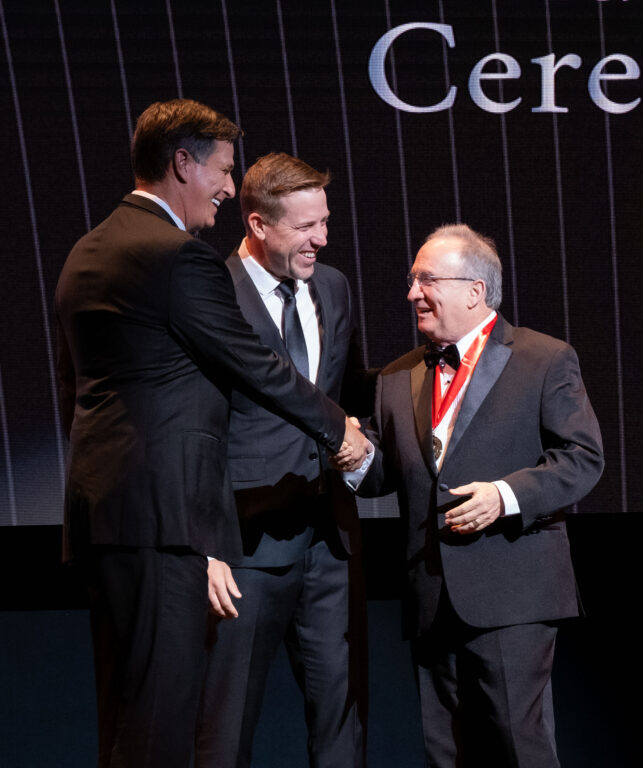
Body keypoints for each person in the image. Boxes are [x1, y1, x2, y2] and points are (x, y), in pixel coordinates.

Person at [55, 100, 365, 768]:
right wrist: (340, 426)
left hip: (109, 516)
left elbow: (76, 391)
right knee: (163, 729)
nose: (228, 186)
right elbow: (254, 367)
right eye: (223, 171)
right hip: (167, 523)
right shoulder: (177, 257)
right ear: (183, 163)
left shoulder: (91, 248)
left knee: (131, 716)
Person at [348, 224, 604, 767]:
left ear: (475, 291)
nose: (412, 292)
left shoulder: (544, 358)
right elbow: (382, 477)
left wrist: (506, 494)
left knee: (518, 745)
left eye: (426, 280)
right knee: (447, 753)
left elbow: (582, 458)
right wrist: (352, 455)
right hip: (429, 592)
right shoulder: (395, 376)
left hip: (512, 589)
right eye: (412, 280)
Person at [195, 152, 372, 768]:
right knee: (226, 728)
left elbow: (346, 397)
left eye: (324, 222)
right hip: (243, 548)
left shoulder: (333, 286)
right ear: (257, 224)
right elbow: (195, 432)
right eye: (306, 227)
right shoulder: (210, 294)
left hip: (328, 542)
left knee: (342, 726)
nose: (322, 239)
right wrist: (206, 544)